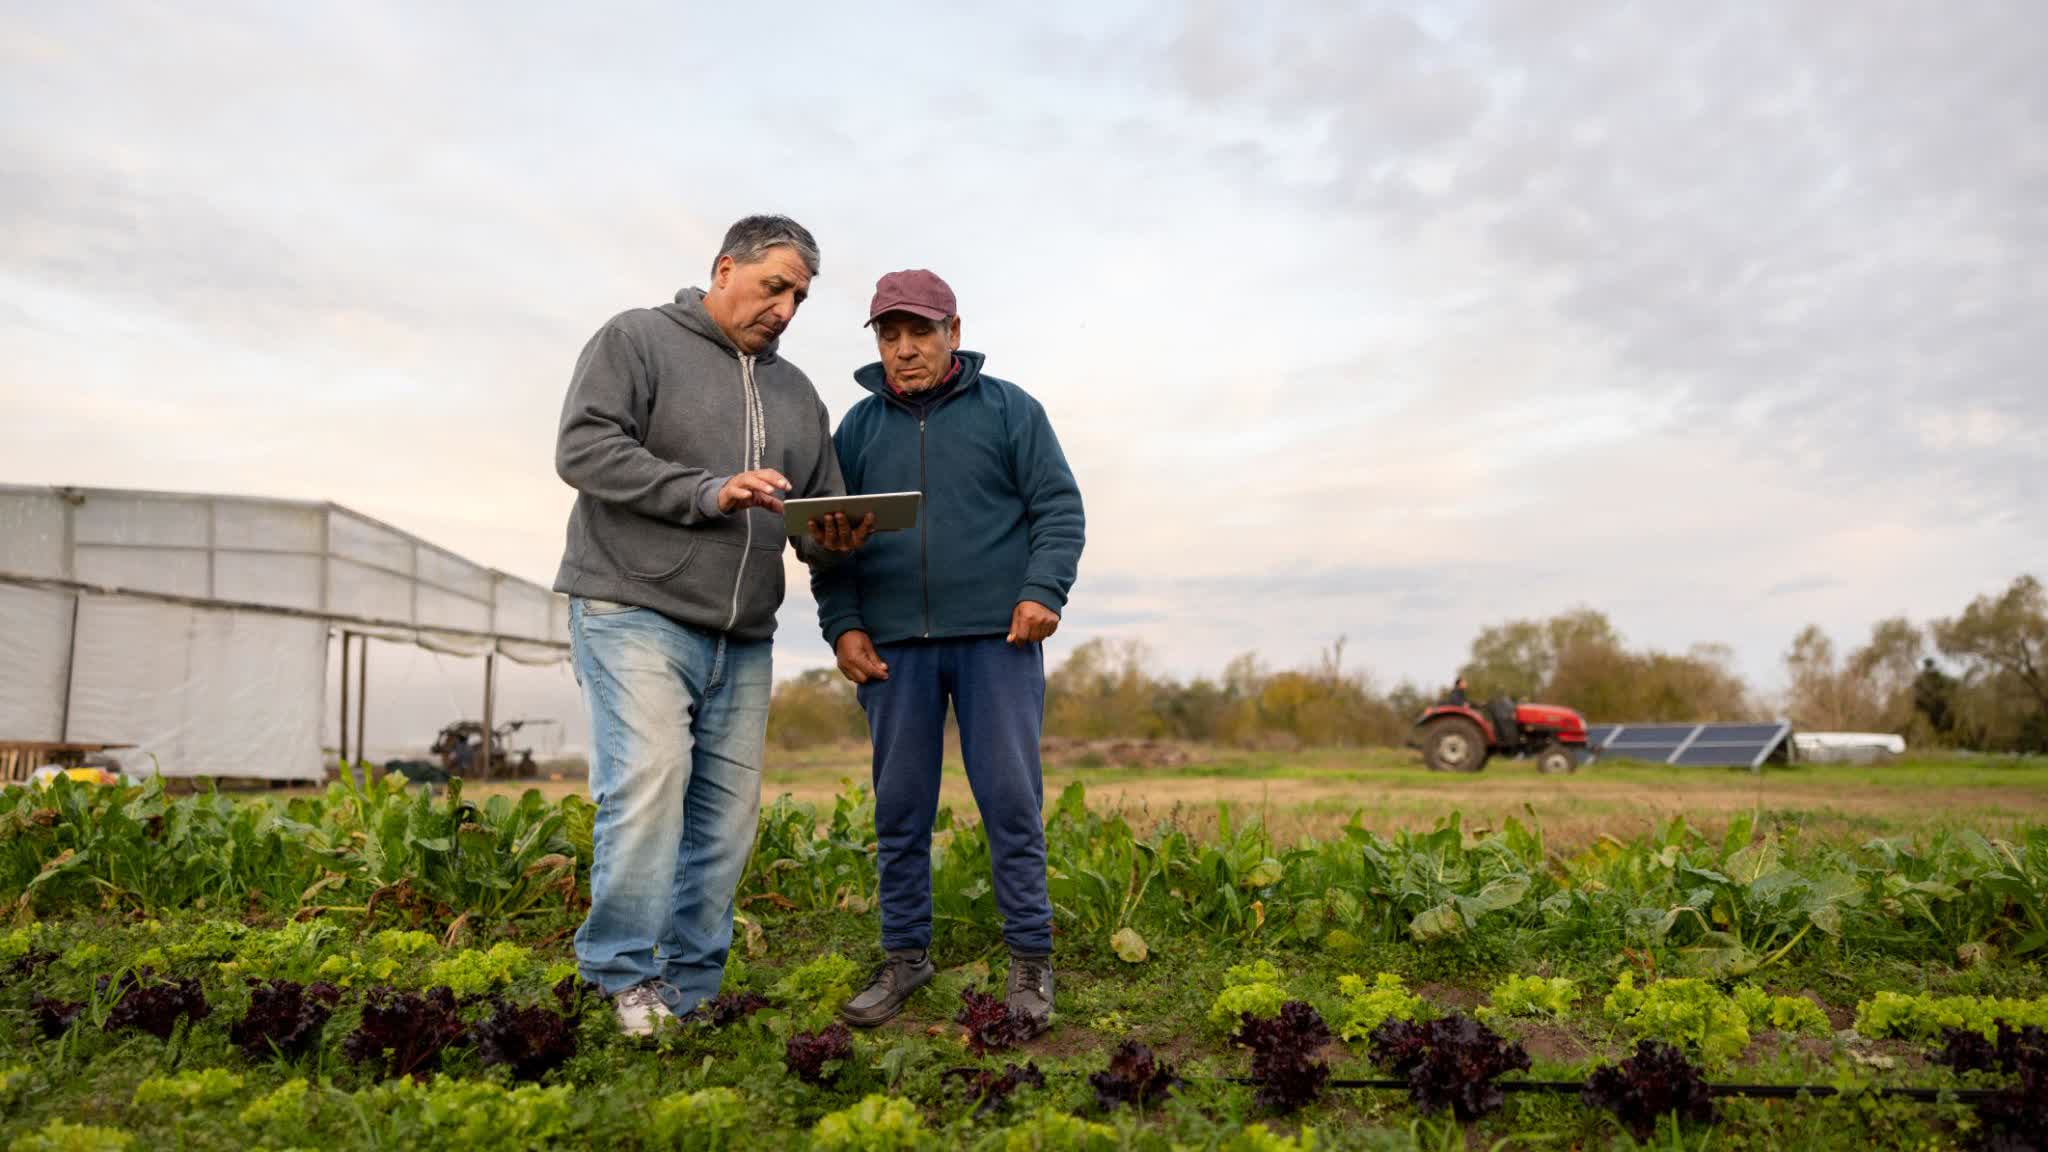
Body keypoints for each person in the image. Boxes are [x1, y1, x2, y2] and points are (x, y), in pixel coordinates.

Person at [553, 215, 871, 1036]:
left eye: (799, 298)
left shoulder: (799, 393)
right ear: (725, 268)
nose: (785, 309)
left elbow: (814, 514)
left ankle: (689, 991)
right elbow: (583, 448)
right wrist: (706, 490)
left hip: (745, 635)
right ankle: (622, 976)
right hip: (633, 608)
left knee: (726, 821)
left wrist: (833, 537)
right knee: (651, 783)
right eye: (775, 287)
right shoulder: (637, 340)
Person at [816, 269, 1085, 1029]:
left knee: (1011, 801)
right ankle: (905, 955)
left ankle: (1030, 956)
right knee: (900, 808)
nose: (904, 349)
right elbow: (829, 541)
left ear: (953, 333)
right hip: (894, 650)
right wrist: (844, 625)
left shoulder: (1010, 410)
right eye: (889, 335)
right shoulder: (857, 429)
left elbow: (1058, 508)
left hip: (998, 641)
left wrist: (1043, 590)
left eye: (920, 332)